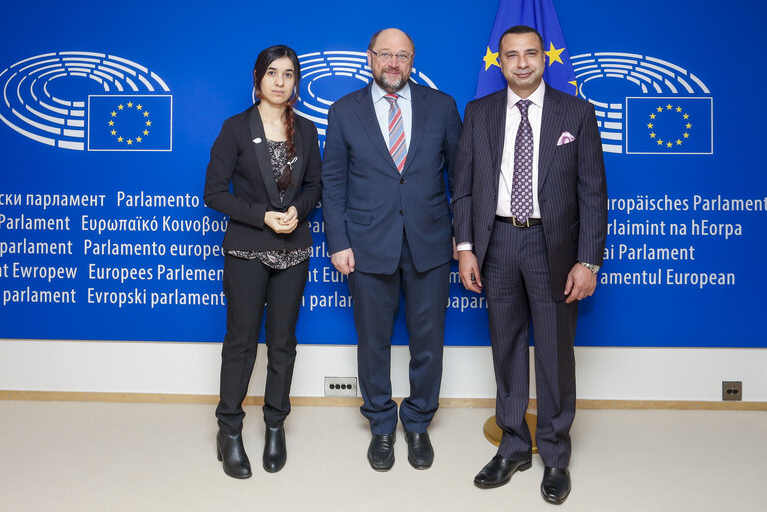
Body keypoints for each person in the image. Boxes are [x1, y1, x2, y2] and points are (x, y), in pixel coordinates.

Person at [453, 25, 607, 504]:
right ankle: (515, 445)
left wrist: (588, 260)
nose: (521, 63)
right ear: (499, 62)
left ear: (545, 58)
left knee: (556, 352)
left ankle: (555, 455)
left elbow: (593, 194)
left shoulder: (576, 112)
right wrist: (465, 247)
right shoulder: (478, 113)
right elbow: (463, 187)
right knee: (506, 347)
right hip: (496, 242)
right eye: (511, 55)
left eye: (531, 54)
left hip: (552, 248)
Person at [322, 28, 462, 471]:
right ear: (370, 58)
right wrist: (339, 242)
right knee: (373, 341)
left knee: (428, 342)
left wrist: (465, 237)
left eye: (402, 55)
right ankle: (381, 424)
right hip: (366, 246)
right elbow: (334, 183)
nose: (394, 63)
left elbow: (461, 178)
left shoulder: (442, 107)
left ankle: (418, 422)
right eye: (386, 54)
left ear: (412, 59)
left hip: (431, 243)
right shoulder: (344, 111)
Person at [204, 45, 321, 479]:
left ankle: (275, 425)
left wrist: (298, 211)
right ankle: (229, 430)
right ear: (258, 79)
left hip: (293, 251)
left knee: (283, 344)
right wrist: (262, 215)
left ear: (296, 83)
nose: (279, 81)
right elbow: (213, 193)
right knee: (241, 343)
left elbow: (315, 187)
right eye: (272, 73)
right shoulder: (235, 128)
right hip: (247, 249)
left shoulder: (307, 131)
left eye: (288, 74)